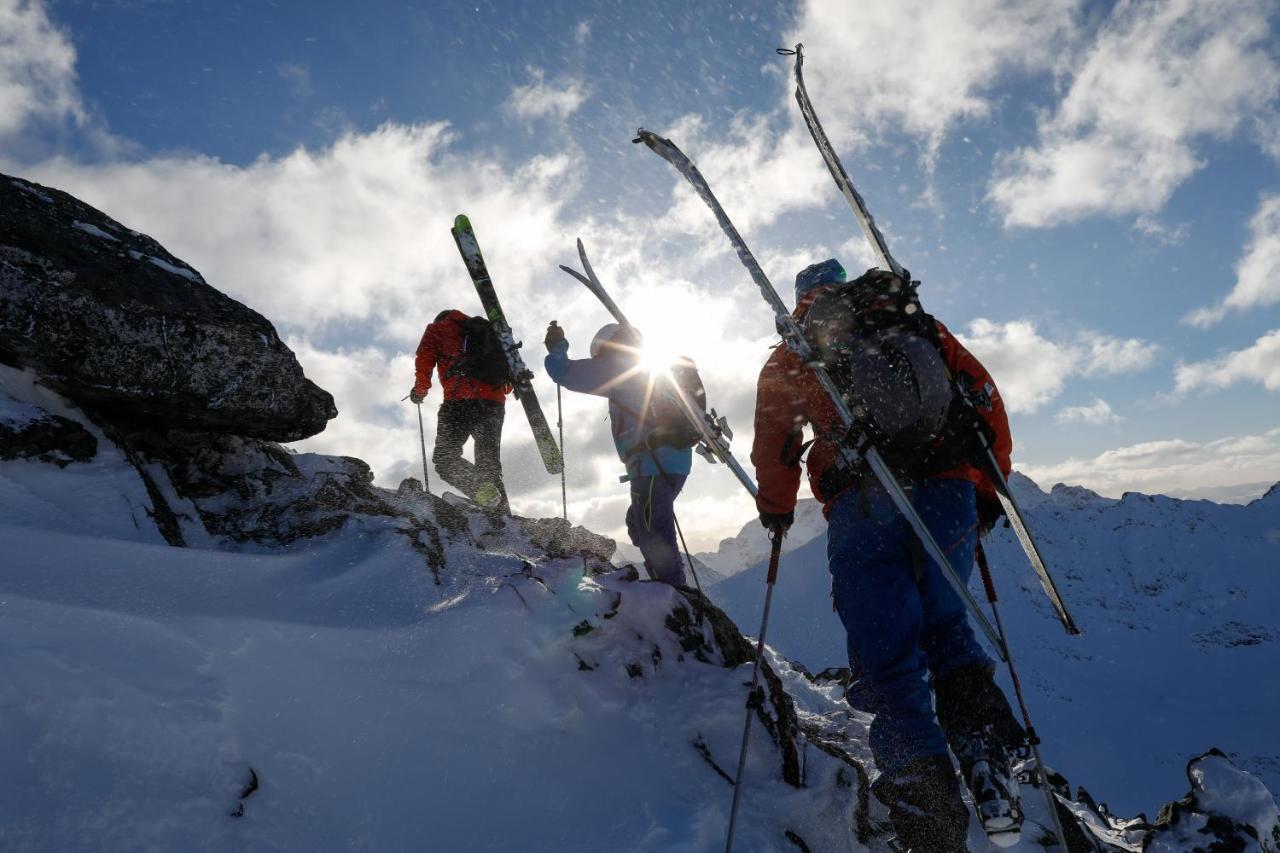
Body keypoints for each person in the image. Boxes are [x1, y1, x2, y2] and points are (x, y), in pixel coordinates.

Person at [751, 259, 1026, 852]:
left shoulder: (794, 351)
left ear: (802, 299)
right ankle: (987, 761)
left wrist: (775, 510)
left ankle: (931, 825)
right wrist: (986, 486)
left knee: (891, 667)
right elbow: (983, 398)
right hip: (949, 491)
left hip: (864, 501)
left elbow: (776, 444)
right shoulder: (910, 319)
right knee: (949, 627)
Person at [543, 322, 690, 586]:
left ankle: (673, 592)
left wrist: (557, 347)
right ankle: (669, 584)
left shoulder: (620, 366)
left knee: (652, 532)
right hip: (673, 461)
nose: (597, 360)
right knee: (639, 522)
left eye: (598, 355)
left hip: (651, 463)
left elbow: (563, 372)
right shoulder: (652, 370)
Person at [410, 309, 512, 516]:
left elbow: (424, 358)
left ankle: (485, 497)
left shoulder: (439, 328)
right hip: (494, 404)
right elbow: (507, 378)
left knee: (445, 459)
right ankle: (502, 515)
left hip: (459, 401)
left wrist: (420, 390)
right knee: (488, 462)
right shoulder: (487, 332)